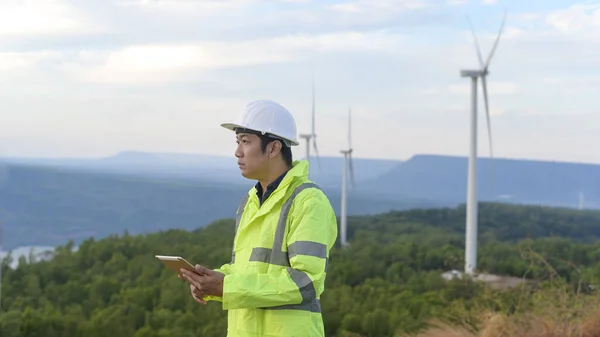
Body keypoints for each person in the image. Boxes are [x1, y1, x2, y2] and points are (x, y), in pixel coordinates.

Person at [180, 99, 338, 337]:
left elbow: (307, 282)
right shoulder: (251, 201)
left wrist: (227, 287)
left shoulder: (308, 202)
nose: (237, 151)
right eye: (237, 142)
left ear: (274, 148)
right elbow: (250, 271)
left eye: (246, 141)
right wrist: (212, 282)